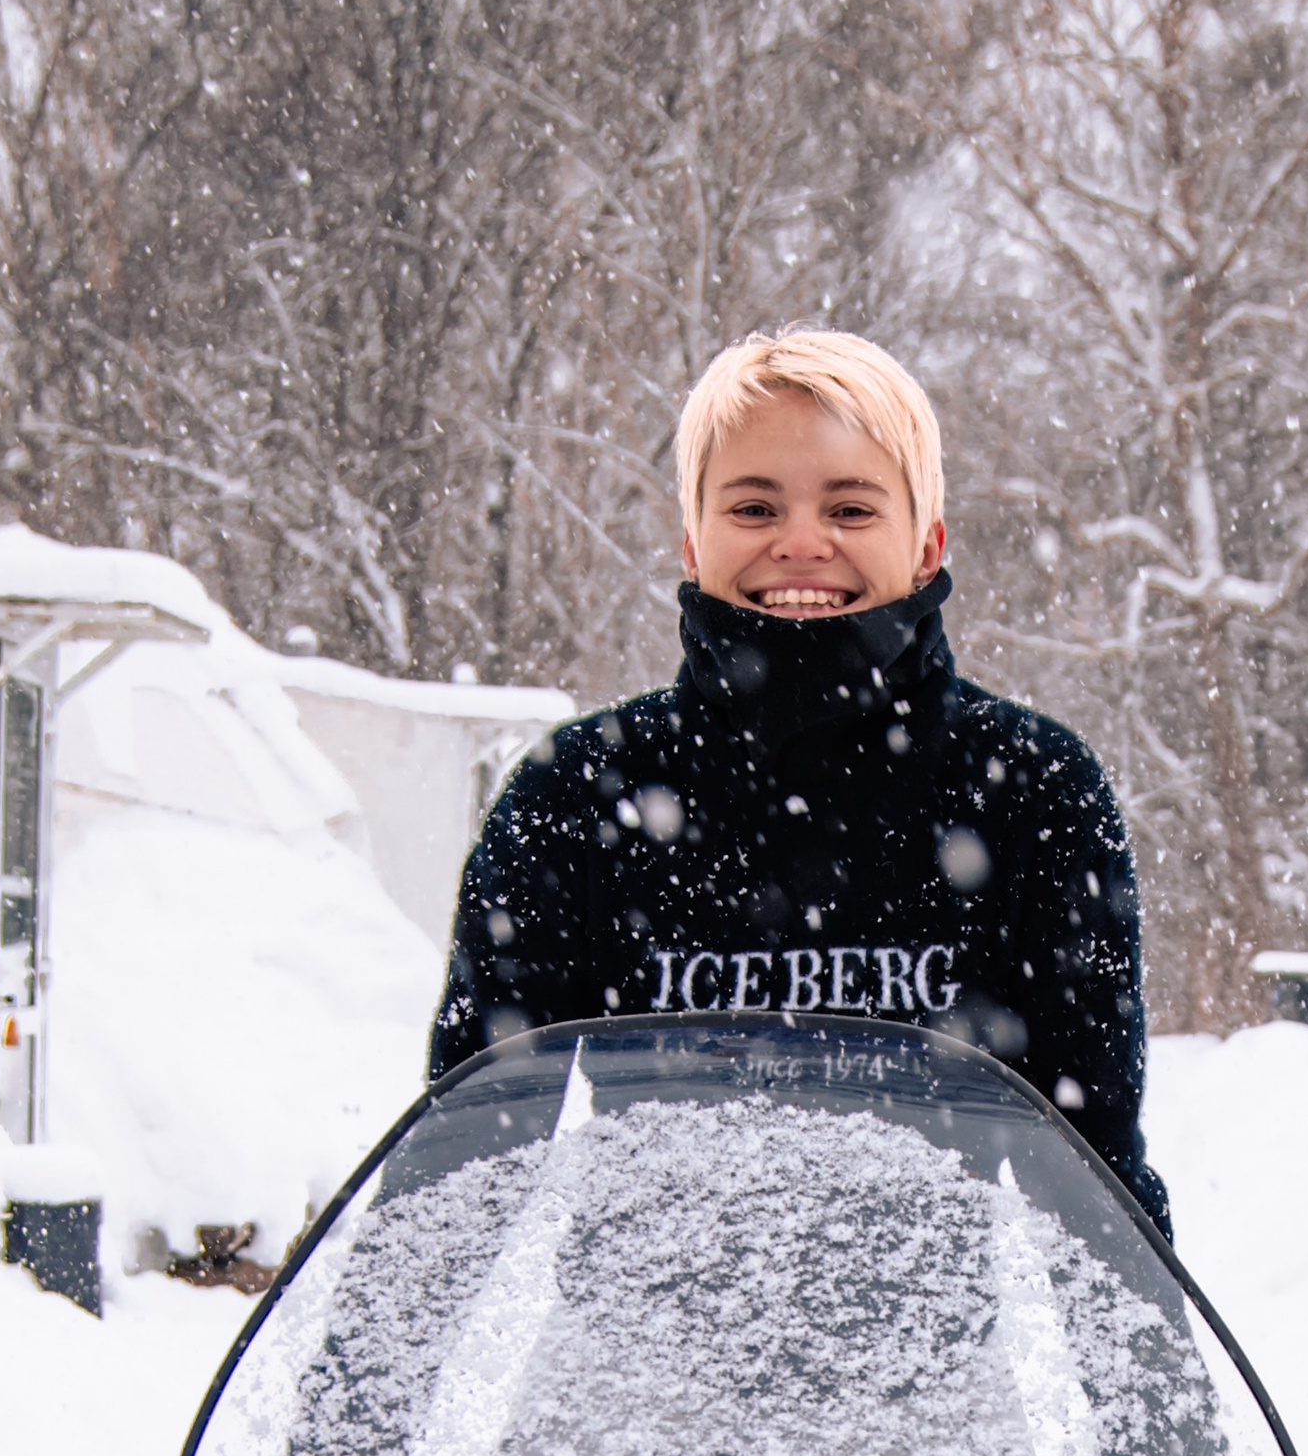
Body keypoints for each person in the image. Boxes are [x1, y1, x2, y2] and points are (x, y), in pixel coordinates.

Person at [429, 327, 1172, 1238]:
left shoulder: (1030, 791)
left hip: (931, 1379)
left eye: (852, 510)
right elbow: (453, 1180)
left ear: (928, 543)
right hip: (631, 1376)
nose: (802, 543)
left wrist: (1155, 1380)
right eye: (753, 508)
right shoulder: (578, 794)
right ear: (692, 543)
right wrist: (362, 1382)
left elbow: (1100, 1189)